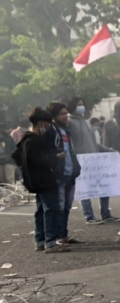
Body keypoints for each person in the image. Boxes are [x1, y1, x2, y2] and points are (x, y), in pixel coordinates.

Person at [14, 108, 66, 252]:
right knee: (51, 209)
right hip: (44, 180)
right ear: (42, 123)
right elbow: (40, 161)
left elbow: (17, 157)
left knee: (41, 210)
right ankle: (50, 242)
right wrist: (56, 158)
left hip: (35, 181)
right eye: (48, 124)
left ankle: (41, 240)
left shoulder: (25, 139)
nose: (49, 127)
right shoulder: (34, 140)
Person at [63, 96, 118, 224]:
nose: (81, 106)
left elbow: (94, 143)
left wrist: (109, 150)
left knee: (104, 187)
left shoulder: (87, 122)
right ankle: (89, 216)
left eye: (82, 104)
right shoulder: (69, 123)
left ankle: (106, 213)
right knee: (84, 189)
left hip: (94, 160)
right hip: (80, 161)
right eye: (78, 104)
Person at [48, 103, 84, 244]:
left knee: (67, 206)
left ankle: (64, 235)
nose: (65, 116)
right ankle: (58, 237)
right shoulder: (52, 131)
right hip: (60, 174)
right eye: (61, 114)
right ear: (54, 116)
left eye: (66, 113)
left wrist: (76, 168)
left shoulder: (66, 130)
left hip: (70, 172)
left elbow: (72, 150)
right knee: (60, 207)